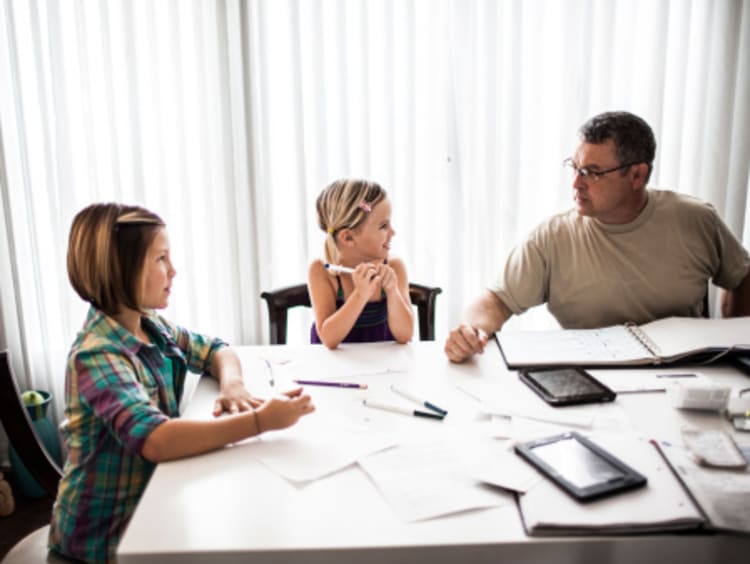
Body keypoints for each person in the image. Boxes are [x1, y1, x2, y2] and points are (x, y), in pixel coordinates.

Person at [49, 203, 315, 563]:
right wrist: (260, 421)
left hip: (153, 505)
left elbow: (216, 349)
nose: (173, 270)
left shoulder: (150, 325)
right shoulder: (97, 356)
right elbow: (156, 440)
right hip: (103, 542)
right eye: (160, 259)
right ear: (120, 270)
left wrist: (232, 385)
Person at [445, 110, 750, 363]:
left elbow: (742, 277)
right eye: (574, 168)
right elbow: (496, 300)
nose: (576, 183)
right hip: (592, 380)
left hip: (682, 377)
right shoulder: (554, 236)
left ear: (637, 176)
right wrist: (472, 331)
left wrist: (731, 343)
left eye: (592, 172)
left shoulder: (695, 220)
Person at [308, 179, 414, 349]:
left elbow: (405, 335)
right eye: (383, 226)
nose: (393, 232)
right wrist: (360, 295)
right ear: (348, 237)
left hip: (382, 366)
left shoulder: (394, 266)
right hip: (334, 369)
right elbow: (328, 339)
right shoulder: (322, 271)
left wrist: (392, 291)